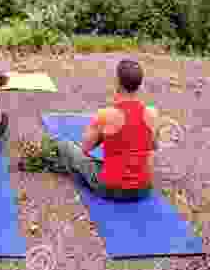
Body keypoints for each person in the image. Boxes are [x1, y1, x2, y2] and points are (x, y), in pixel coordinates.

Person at [56, 59, 158, 200]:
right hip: (143, 190)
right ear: (139, 84)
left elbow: (85, 148)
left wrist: (103, 135)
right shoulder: (152, 113)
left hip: (110, 188)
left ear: (117, 82)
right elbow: (152, 145)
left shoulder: (105, 115)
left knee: (65, 146)